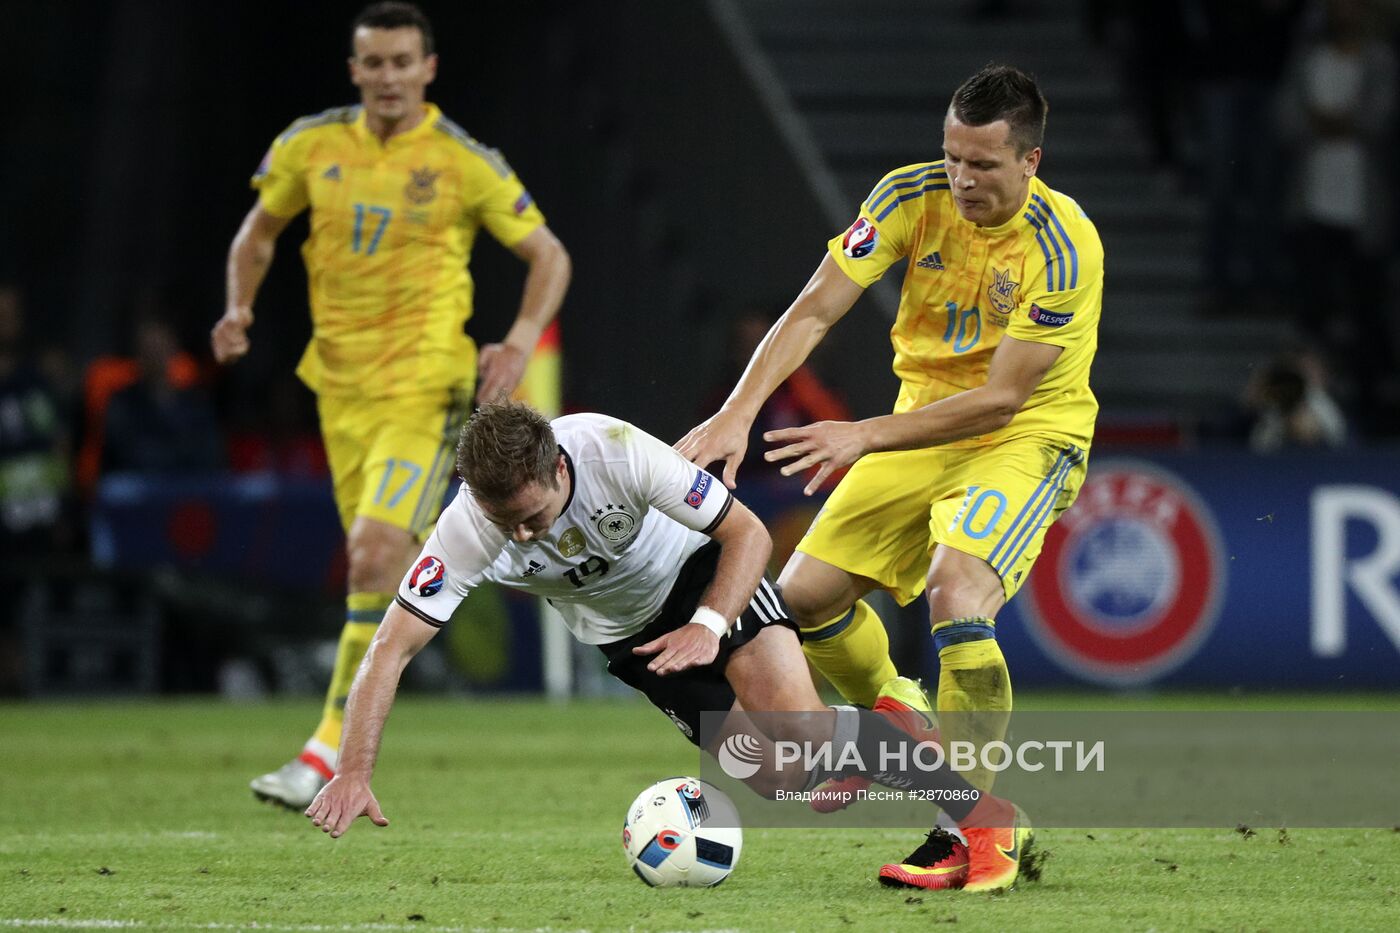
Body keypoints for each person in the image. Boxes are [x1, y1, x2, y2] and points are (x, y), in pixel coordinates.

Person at [304, 401, 1035, 893]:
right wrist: (353, 770)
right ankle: (883, 731)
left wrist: (710, 622)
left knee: (802, 730)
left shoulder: (615, 449)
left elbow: (745, 532)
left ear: (559, 468)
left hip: (705, 576)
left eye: (529, 517)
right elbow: (389, 648)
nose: (522, 538)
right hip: (634, 639)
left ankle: (984, 819)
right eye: (506, 523)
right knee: (782, 778)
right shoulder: (469, 528)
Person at [679, 64, 1102, 882]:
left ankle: (974, 829)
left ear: (1030, 162)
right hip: (919, 423)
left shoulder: (1064, 246)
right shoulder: (910, 196)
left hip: (1025, 435)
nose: (963, 179)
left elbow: (1002, 400)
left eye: (983, 165)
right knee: (792, 606)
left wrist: (864, 434)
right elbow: (814, 307)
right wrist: (739, 408)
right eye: (953, 158)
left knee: (957, 593)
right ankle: (899, 711)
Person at [210, 2, 572, 810]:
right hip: (339, 389)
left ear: (428, 68)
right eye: (373, 63)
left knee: (375, 553)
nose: (388, 78)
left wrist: (515, 340)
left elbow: (548, 255)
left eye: (402, 61)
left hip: (428, 386)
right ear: (354, 70)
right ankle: (350, 727)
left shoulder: (461, 160)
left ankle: (326, 751)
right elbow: (258, 234)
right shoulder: (310, 145)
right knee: (370, 563)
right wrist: (238, 307)